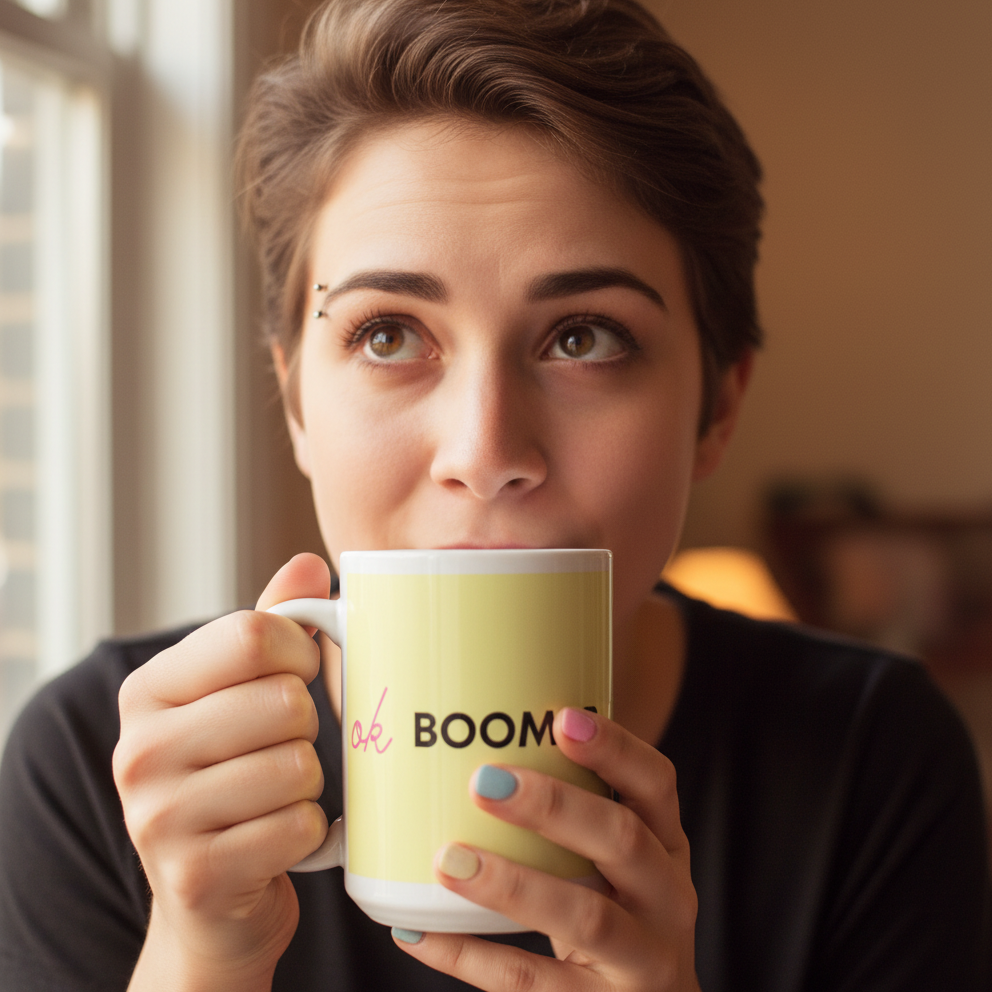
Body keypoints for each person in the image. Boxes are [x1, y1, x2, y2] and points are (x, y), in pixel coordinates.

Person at [1, 0, 989, 989]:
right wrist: (196, 952)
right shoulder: (105, 767)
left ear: (715, 410)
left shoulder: (870, 757)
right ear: (296, 399)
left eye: (584, 337)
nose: (484, 451)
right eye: (387, 334)